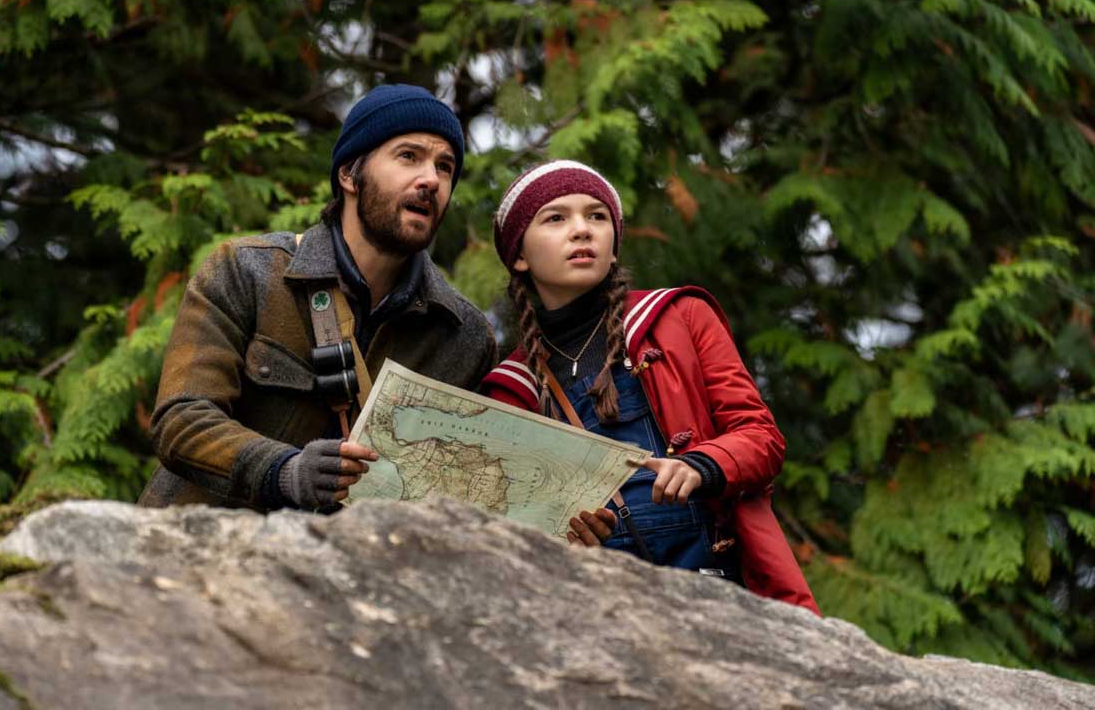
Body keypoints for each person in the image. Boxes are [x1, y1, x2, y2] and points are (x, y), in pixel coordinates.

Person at [479, 159, 819, 613]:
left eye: (596, 216)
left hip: (718, 588)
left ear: (614, 245)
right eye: (556, 218)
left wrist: (701, 465)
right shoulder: (509, 390)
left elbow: (762, 438)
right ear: (519, 255)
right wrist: (563, 536)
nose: (582, 230)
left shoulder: (679, 318)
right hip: (598, 609)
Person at [138, 84, 496, 511]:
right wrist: (283, 470)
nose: (430, 180)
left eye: (445, 167)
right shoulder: (244, 270)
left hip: (353, 571)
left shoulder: (464, 337)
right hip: (200, 557)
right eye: (408, 156)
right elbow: (182, 420)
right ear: (349, 175)